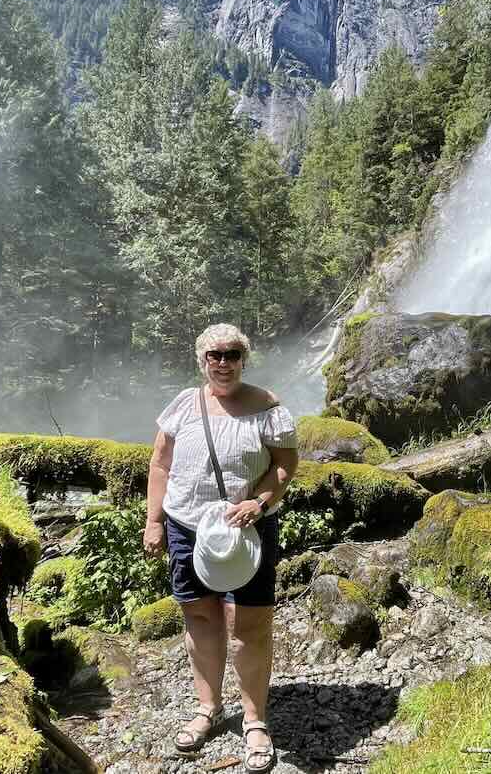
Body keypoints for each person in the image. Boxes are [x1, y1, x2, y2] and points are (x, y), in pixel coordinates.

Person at [143, 323, 299, 772]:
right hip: (187, 526)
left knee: (249, 625)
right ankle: (207, 708)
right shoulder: (184, 406)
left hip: (245, 531)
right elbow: (160, 463)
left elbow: (286, 464)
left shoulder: (268, 407)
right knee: (198, 614)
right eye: (215, 355)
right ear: (201, 360)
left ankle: (254, 721)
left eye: (232, 354)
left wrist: (260, 500)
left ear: (243, 359)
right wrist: (154, 520)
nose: (223, 362)